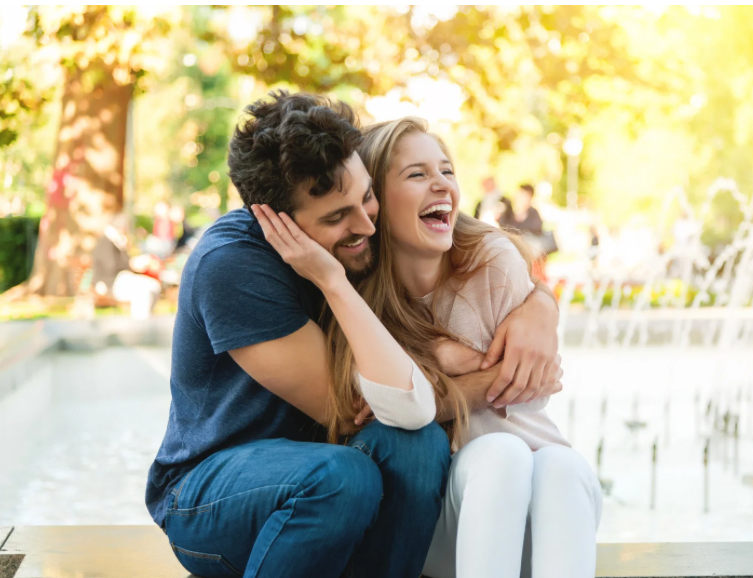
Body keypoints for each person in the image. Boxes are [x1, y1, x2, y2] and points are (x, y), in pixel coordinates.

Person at [146, 91, 561, 578]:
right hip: (214, 495)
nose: (366, 223)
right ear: (274, 219)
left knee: (416, 443)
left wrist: (540, 306)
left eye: (366, 196)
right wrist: (489, 374)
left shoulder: (363, 224)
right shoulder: (232, 267)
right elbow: (348, 410)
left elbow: (471, 243)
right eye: (336, 217)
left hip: (334, 485)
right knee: (341, 476)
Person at [256, 117, 601, 578]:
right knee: (501, 454)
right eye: (417, 174)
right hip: (451, 517)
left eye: (447, 171)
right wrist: (464, 362)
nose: (441, 184)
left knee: (561, 463)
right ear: (375, 199)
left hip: (549, 508)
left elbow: (535, 387)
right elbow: (393, 409)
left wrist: (448, 364)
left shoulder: (490, 261)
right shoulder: (359, 303)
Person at [91, 213, 161, 319]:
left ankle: (148, 323)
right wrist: (131, 264)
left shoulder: (118, 242)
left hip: (122, 278)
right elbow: (111, 266)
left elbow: (125, 263)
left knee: (154, 286)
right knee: (143, 291)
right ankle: (139, 324)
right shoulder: (105, 242)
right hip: (109, 282)